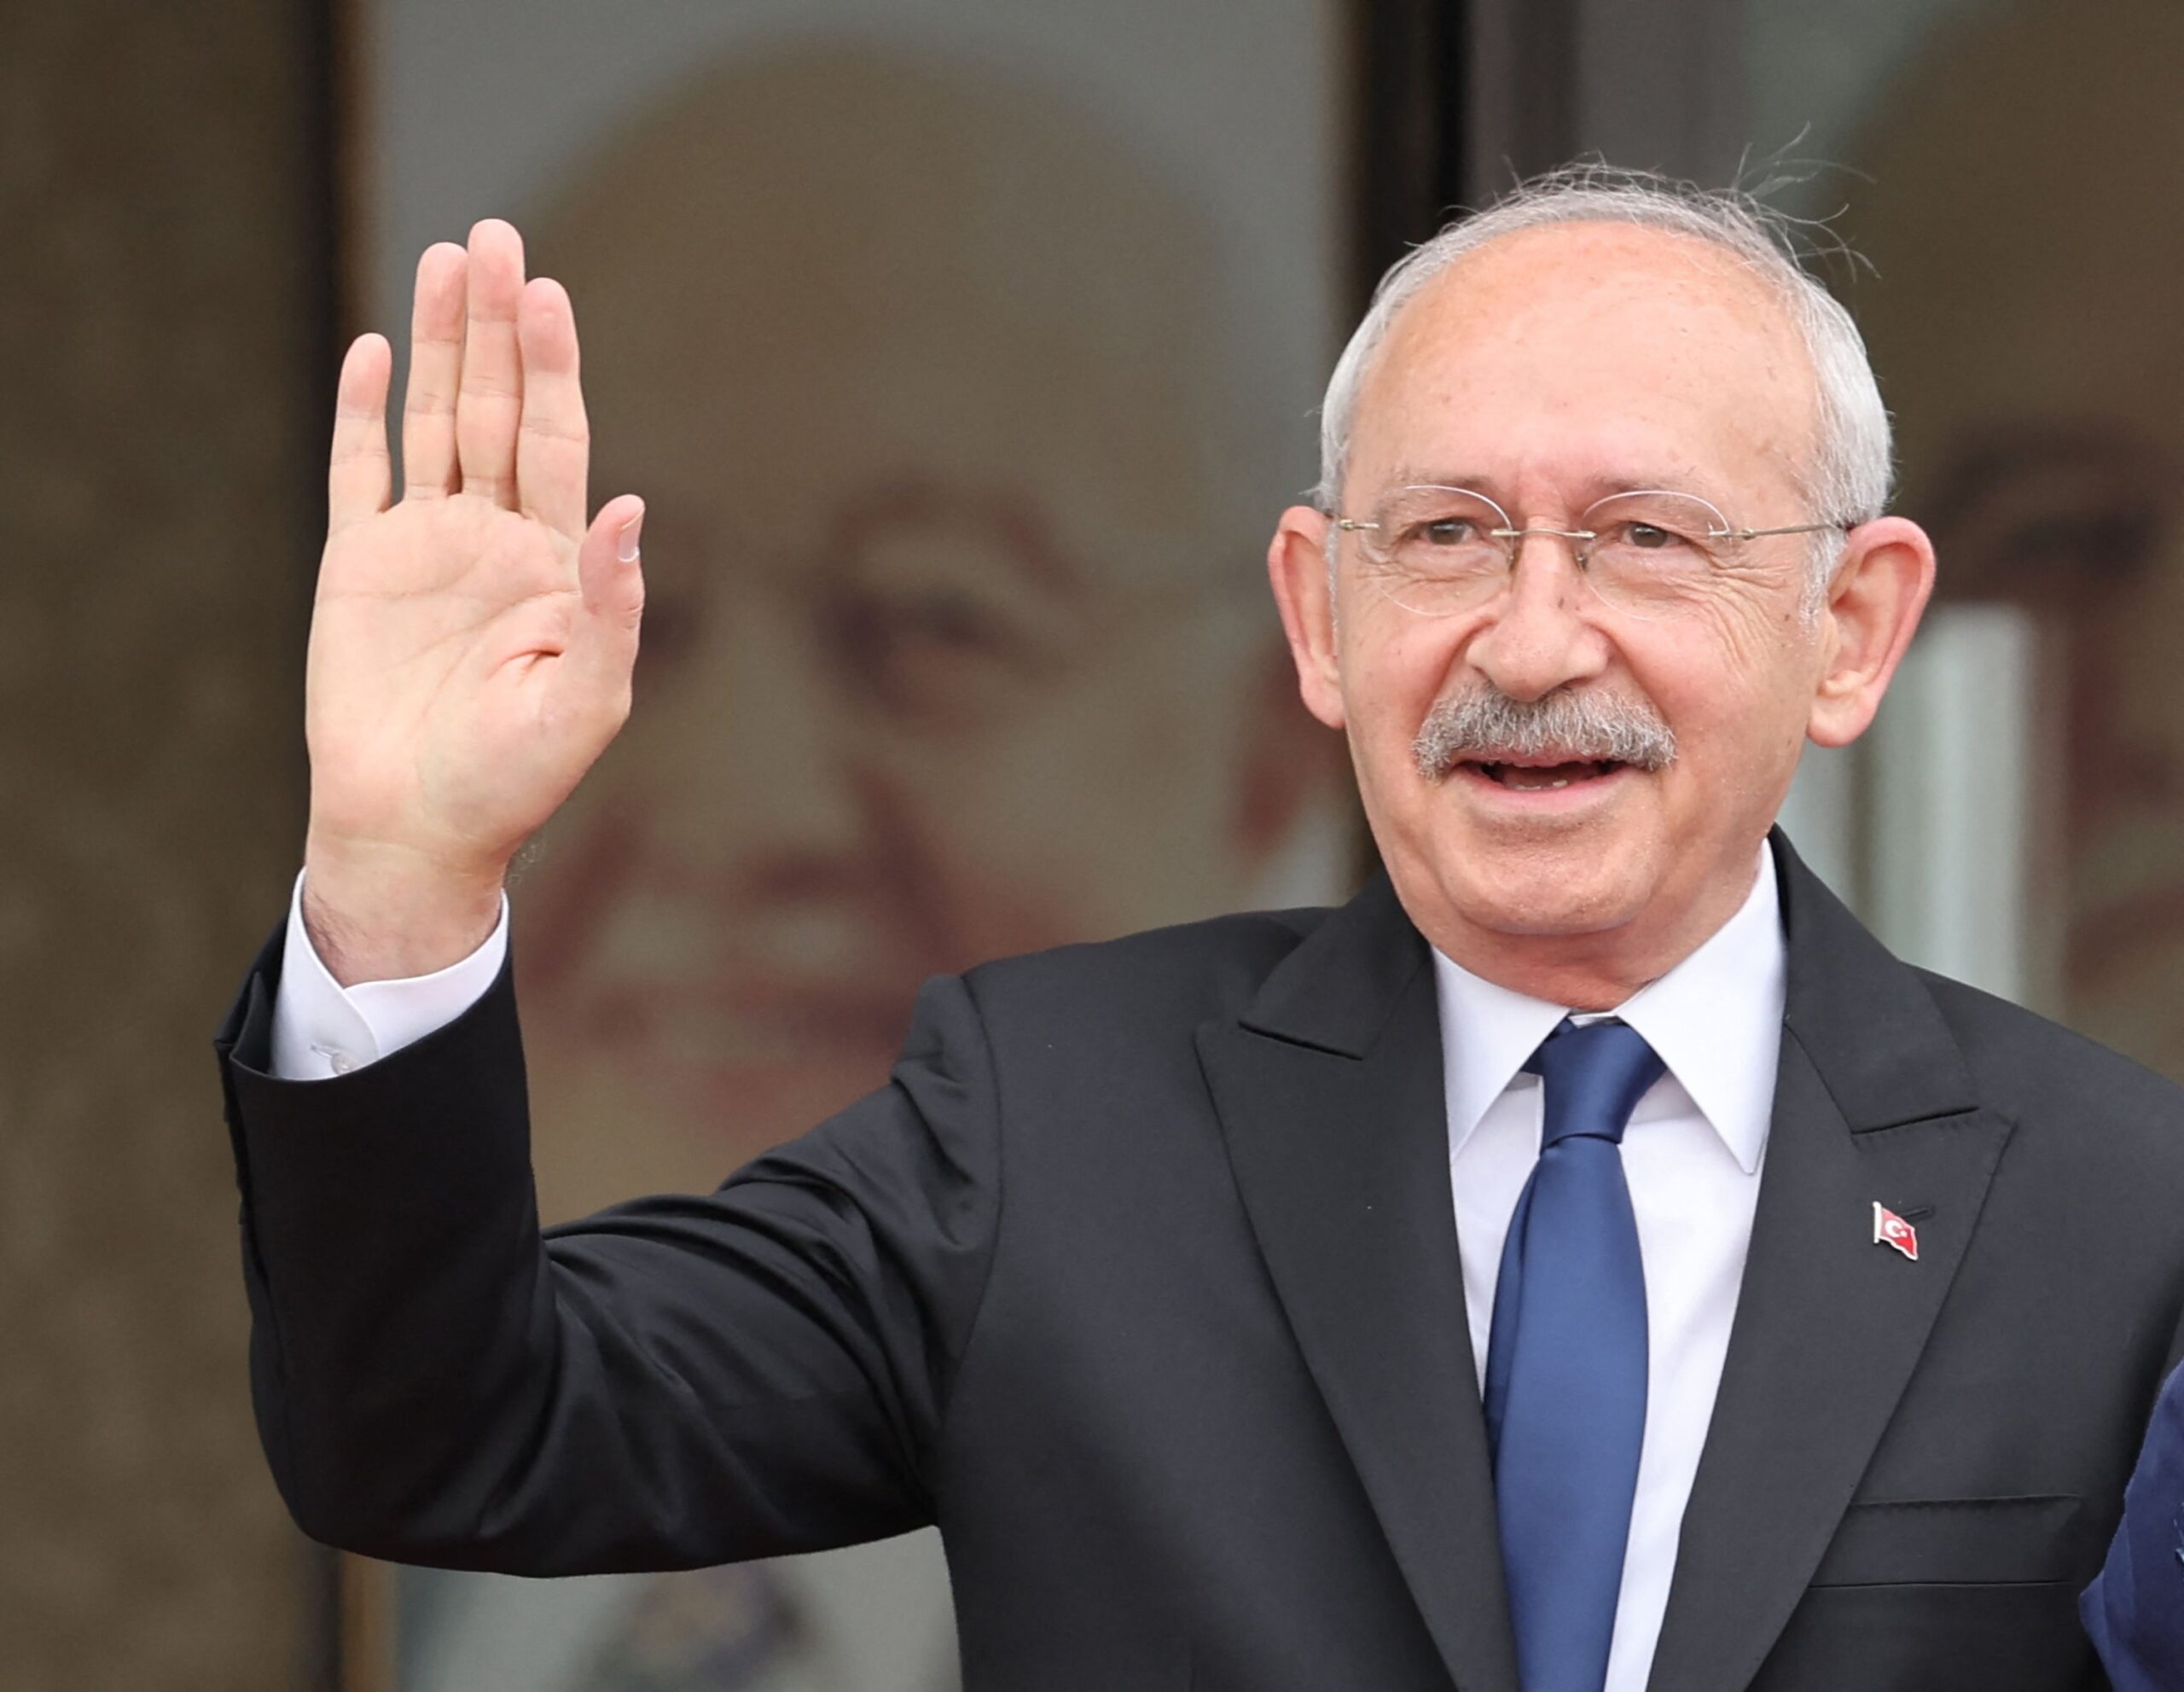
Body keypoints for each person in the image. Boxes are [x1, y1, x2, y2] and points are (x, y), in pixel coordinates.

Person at [216, 167, 2184, 1691]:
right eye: (1443, 534)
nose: (1526, 641)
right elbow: (454, 1433)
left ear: (1848, 627)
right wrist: (402, 871)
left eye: (1644, 538)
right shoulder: (1048, 1125)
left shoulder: (2112, 1204)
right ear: (1315, 616)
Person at [384, 47, 1346, 1690]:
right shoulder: (240, 1435)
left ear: (1271, 736)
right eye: (626, 621)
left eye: (934, 615)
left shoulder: (1417, 1524)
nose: (738, 811)